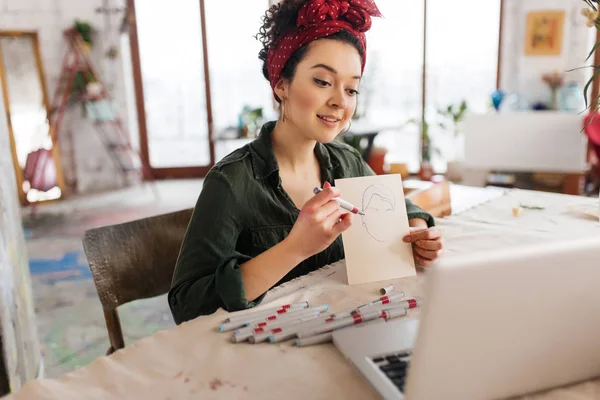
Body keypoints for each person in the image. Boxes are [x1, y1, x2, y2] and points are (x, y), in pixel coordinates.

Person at [168, 0, 445, 324]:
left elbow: (404, 210)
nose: (340, 101)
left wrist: (418, 233)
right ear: (281, 84)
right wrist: (295, 247)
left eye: (352, 88)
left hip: (343, 330)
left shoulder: (346, 162)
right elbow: (186, 304)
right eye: (323, 82)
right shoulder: (232, 182)